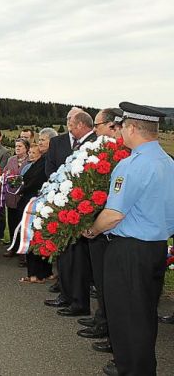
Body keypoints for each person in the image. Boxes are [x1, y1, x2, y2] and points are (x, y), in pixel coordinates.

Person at [82, 102, 174, 376]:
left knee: (125, 317)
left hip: (129, 251)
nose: (119, 132)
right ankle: (143, 367)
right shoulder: (168, 162)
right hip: (156, 247)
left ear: (133, 127)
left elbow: (113, 214)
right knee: (144, 314)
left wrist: (92, 230)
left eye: (122, 126)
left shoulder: (130, 165)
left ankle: (132, 369)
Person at [77, 108, 124, 346]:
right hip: (97, 224)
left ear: (113, 125)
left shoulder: (123, 154)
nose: (95, 130)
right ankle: (102, 318)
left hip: (111, 228)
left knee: (111, 284)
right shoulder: (105, 150)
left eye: (98, 124)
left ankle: (108, 326)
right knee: (101, 278)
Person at [45, 110, 98, 317]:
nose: (69, 127)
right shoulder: (59, 143)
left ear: (81, 124)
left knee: (78, 260)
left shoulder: (95, 143)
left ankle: (78, 301)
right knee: (66, 256)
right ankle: (67, 295)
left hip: (81, 209)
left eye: (72, 123)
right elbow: (51, 168)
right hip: (63, 205)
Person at [19, 135, 54, 283]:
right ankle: (44, 272)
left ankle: (36, 274)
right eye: (38, 140)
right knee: (37, 237)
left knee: (35, 236)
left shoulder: (46, 161)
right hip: (32, 201)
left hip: (36, 203)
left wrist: (21, 188)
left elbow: (36, 182)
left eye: (43, 140)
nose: (39, 143)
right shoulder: (40, 161)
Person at [2, 138, 30, 256]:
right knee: (12, 222)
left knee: (22, 224)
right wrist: (5, 176)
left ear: (26, 148)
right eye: (16, 146)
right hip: (11, 197)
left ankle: (22, 249)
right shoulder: (11, 160)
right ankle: (13, 247)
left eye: (20, 146)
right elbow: (5, 172)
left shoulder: (30, 161)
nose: (17, 148)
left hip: (22, 197)